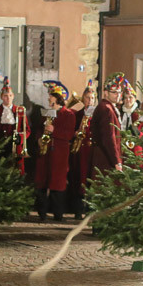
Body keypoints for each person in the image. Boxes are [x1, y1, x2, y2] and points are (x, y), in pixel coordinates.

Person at [33, 81, 75, 222]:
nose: (48, 98)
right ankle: (42, 213)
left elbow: (69, 134)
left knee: (58, 184)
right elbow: (39, 129)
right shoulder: (46, 113)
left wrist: (54, 130)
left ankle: (58, 214)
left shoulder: (68, 114)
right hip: (45, 153)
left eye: (50, 96)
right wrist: (39, 139)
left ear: (57, 98)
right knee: (42, 182)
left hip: (59, 154)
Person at [66, 80, 96, 219]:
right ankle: (78, 210)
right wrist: (75, 133)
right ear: (83, 99)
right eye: (88, 98)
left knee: (90, 180)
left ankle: (89, 210)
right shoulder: (77, 115)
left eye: (92, 98)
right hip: (79, 151)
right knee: (78, 179)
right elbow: (70, 130)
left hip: (91, 152)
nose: (90, 100)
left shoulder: (97, 114)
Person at [0, 76, 29, 170]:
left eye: (10, 95)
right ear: (1, 97)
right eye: (5, 96)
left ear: (13, 96)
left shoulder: (20, 111)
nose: (8, 98)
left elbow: (27, 130)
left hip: (15, 148)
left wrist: (20, 139)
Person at [90, 73, 125, 179]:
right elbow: (109, 138)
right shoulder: (106, 109)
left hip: (104, 156)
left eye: (119, 92)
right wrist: (116, 161)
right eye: (114, 92)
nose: (117, 95)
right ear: (105, 93)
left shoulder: (108, 107)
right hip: (105, 159)